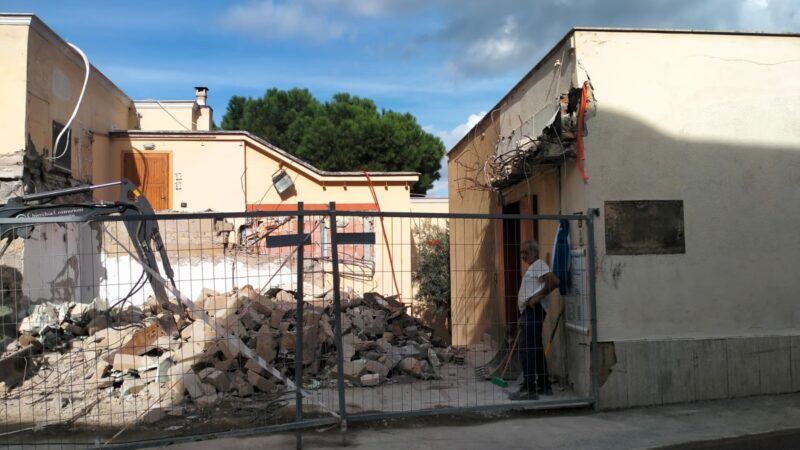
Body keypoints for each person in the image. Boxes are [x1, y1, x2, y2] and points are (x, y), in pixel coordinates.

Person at [509, 239, 560, 401]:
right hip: (529, 312)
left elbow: (554, 281)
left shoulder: (538, 264)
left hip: (533, 311)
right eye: (521, 253)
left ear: (534, 252)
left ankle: (529, 389)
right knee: (536, 349)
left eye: (526, 252)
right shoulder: (533, 267)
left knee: (526, 350)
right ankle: (544, 385)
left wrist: (538, 296)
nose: (523, 256)